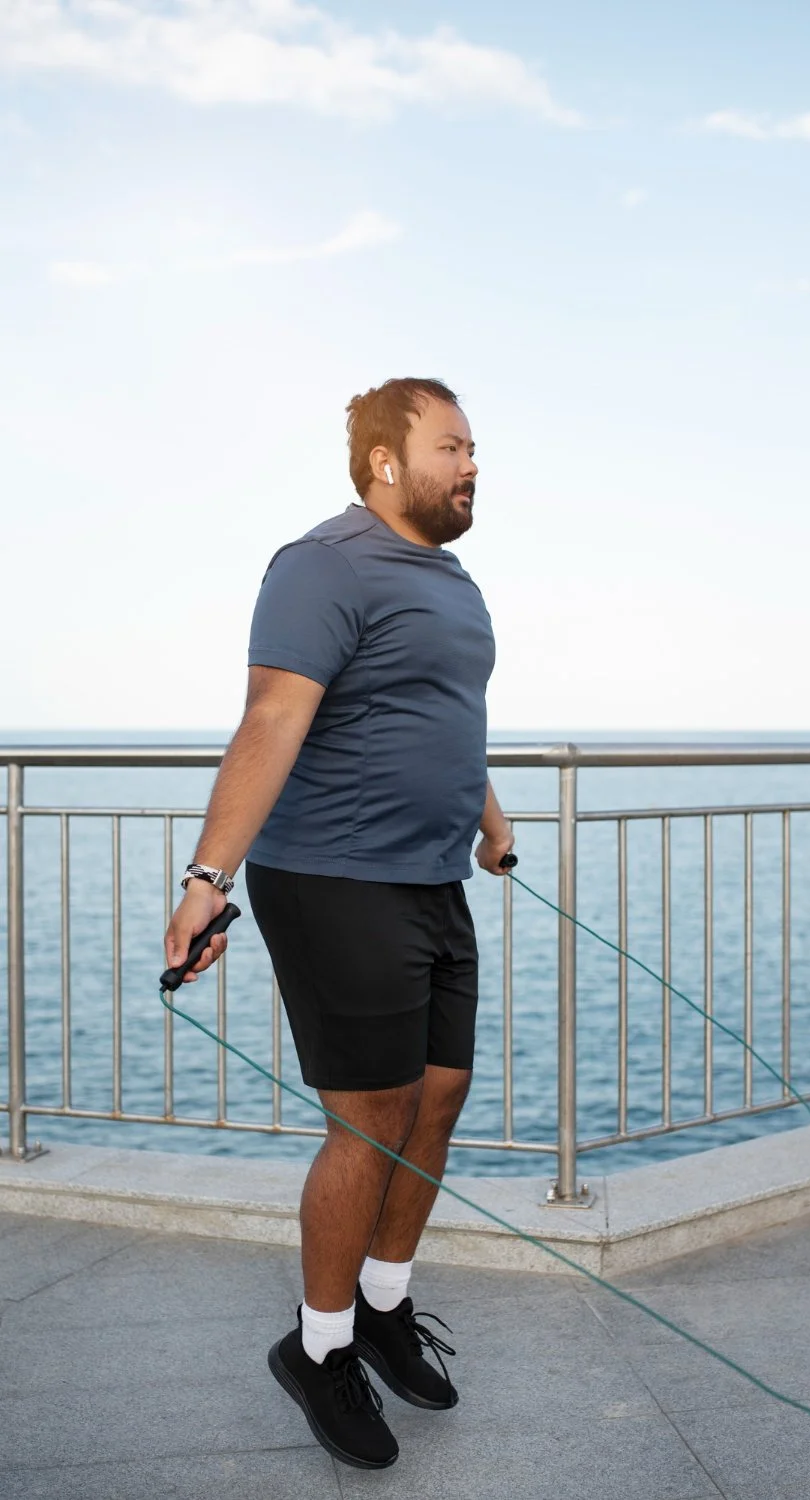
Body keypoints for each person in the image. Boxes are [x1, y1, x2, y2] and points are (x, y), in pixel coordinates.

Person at [163, 376, 513, 1471]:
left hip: (429, 879)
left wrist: (490, 821)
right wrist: (207, 878)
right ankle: (317, 1350)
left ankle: (382, 1303)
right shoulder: (320, 565)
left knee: (439, 1096)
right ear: (383, 462)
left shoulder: (451, 580)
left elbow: (448, 718)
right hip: (333, 877)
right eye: (452, 446)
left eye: (474, 450)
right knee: (370, 1116)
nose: (472, 465)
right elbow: (271, 718)